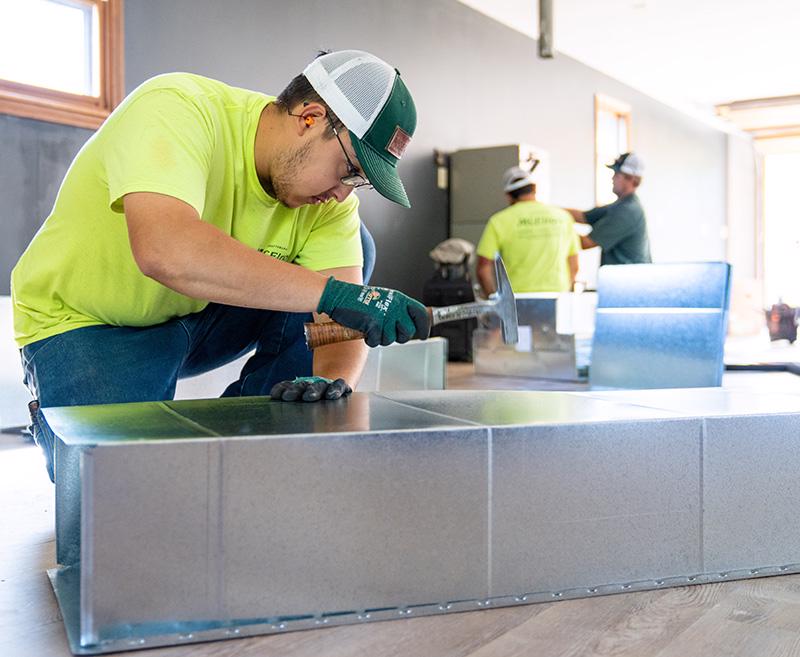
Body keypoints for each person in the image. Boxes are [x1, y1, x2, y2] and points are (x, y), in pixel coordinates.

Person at [11, 49, 429, 481]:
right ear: (310, 117)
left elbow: (338, 321)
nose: (344, 193)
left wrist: (333, 381)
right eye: (349, 170)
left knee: (357, 247)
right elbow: (165, 250)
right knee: (116, 503)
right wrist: (338, 296)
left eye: (357, 182)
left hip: (200, 315)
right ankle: (58, 422)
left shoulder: (330, 205)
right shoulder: (177, 107)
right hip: (93, 323)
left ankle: (260, 433)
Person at [475, 166, 579, 296]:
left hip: (516, 300)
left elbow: (483, 269)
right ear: (534, 189)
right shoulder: (563, 217)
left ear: (508, 196)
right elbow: (574, 265)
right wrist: (564, 293)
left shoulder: (498, 221)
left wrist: (496, 300)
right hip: (558, 297)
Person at [566, 152, 651, 265]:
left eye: (616, 174)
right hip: (621, 279)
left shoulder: (627, 211)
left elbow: (586, 243)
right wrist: (544, 209)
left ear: (630, 179)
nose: (612, 178)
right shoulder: (619, 205)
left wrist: (553, 229)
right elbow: (583, 217)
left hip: (630, 280)